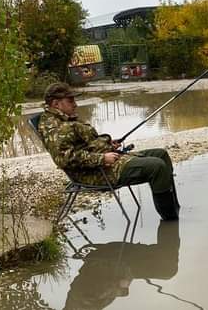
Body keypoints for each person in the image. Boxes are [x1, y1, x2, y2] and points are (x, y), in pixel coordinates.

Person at [38, 82, 180, 220]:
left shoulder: (64, 118)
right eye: (70, 101)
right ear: (56, 104)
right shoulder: (54, 128)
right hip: (96, 172)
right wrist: (102, 158)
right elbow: (64, 159)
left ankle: (174, 208)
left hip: (106, 160)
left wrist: (107, 143)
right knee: (157, 167)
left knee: (161, 154)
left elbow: (86, 143)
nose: (75, 104)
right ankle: (170, 219)